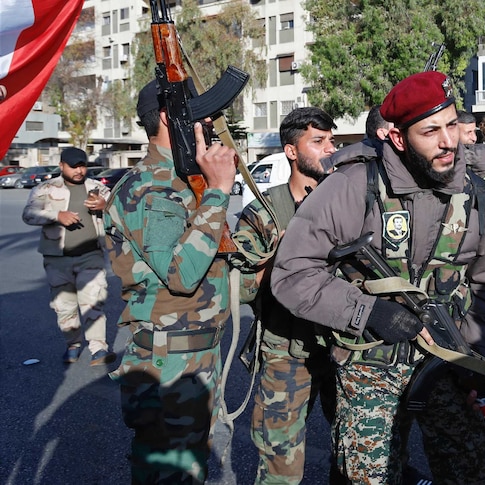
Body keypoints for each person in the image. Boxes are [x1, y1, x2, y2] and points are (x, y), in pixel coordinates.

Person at [270, 70, 485, 484]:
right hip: (371, 365)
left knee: (469, 473)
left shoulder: (480, 197)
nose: (447, 141)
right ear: (398, 138)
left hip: (449, 361)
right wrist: (366, 312)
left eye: (452, 125)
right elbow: (292, 273)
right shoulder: (351, 185)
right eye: (430, 131)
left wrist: (477, 356)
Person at [103, 79, 238, 484]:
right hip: (170, 365)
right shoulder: (149, 187)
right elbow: (181, 274)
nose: (211, 121)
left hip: (194, 357)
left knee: (189, 469)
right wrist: (218, 191)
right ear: (169, 117)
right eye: (201, 113)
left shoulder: (182, 179)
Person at [233, 106, 338, 484]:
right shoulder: (264, 211)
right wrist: (286, 259)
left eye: (332, 141)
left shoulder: (349, 201)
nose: (330, 149)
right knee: (280, 463)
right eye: (318, 141)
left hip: (345, 347)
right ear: (292, 151)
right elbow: (241, 286)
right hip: (286, 352)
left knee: (357, 456)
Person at [22, 147, 115, 366]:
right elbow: (28, 214)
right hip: (57, 258)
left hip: (90, 255)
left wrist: (105, 206)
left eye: (82, 166)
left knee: (94, 300)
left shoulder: (97, 188)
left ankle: (98, 349)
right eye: (73, 166)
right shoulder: (45, 188)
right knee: (65, 306)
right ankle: (72, 345)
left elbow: (119, 210)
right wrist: (56, 215)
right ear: (62, 165)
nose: (79, 171)